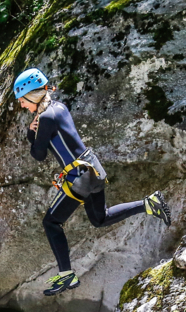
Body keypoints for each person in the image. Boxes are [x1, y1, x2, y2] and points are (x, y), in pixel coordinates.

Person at [14, 67, 172, 296]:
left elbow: (38, 154)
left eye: (22, 101)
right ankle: (149, 204)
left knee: (51, 223)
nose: (22, 106)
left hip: (80, 177)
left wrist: (31, 132)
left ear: (32, 96)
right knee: (100, 218)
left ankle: (67, 275)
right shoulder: (59, 108)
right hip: (93, 169)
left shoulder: (45, 118)